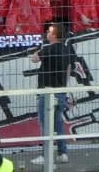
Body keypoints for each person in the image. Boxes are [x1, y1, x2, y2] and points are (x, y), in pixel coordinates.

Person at [28, 21, 77, 164]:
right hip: (60, 91)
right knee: (59, 123)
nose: (47, 34)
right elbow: (68, 69)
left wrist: (38, 50)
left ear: (54, 34)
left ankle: (45, 155)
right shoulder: (66, 49)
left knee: (45, 124)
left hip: (47, 92)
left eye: (49, 32)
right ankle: (63, 154)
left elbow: (34, 59)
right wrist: (64, 87)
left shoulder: (49, 49)